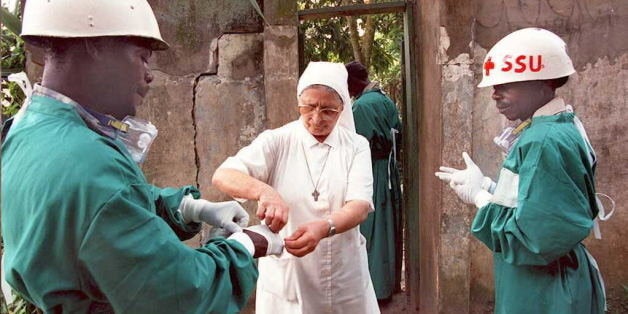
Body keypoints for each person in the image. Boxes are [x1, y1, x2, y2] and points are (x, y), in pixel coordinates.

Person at [1, 1, 282, 313]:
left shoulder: (28, 128)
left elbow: (102, 214)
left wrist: (187, 208)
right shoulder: (92, 163)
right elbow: (181, 295)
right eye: (142, 58)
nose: (150, 76)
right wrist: (243, 246)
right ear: (95, 45)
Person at [435, 28, 606, 313]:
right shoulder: (554, 126)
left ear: (543, 83)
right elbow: (537, 202)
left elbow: (536, 239)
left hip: (546, 289)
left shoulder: (543, 141)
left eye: (507, 84)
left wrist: (481, 198)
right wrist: (491, 188)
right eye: (494, 86)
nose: (495, 95)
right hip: (544, 281)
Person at [212, 61, 380, 313]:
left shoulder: (355, 145)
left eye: (328, 110)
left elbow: (359, 206)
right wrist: (265, 192)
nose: (316, 118)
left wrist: (324, 227)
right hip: (290, 272)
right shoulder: (277, 141)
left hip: (344, 274)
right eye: (309, 107)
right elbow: (223, 175)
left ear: (342, 108)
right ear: (298, 103)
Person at [345, 61, 403, 302]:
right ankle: (387, 285)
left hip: (371, 171)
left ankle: (373, 291)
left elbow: (353, 144)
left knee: (370, 231)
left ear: (353, 82)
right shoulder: (385, 100)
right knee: (387, 228)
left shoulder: (361, 107)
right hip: (388, 170)